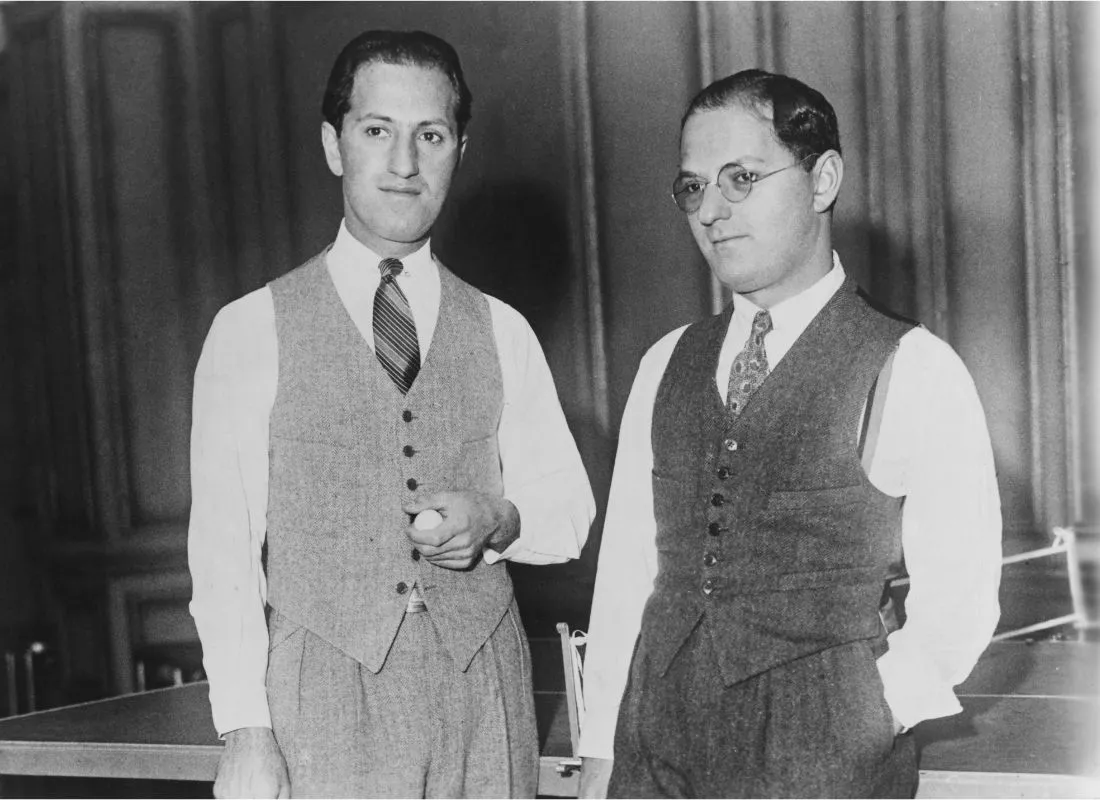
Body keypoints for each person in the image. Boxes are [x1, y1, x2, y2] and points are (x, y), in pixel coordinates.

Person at [187, 29, 595, 799]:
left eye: (430, 135)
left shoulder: (502, 327)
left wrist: (498, 518)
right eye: (378, 131)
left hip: (484, 692)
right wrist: (245, 731)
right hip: (322, 702)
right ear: (334, 145)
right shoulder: (250, 328)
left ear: (460, 150)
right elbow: (222, 554)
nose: (404, 164)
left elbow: (568, 511)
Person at [578, 69, 1002, 798]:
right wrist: (600, 760)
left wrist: (867, 713)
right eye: (693, 187)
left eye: (741, 178)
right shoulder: (664, 363)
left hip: (824, 760)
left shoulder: (913, 367)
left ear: (823, 179)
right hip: (656, 753)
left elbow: (961, 602)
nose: (711, 210)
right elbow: (624, 582)